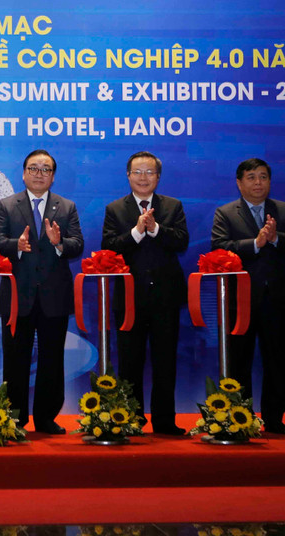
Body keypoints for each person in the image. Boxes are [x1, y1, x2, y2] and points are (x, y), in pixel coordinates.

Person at [0, 149, 84, 434]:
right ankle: (15, 418)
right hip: (18, 297)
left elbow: (77, 243)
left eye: (45, 169)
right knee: (15, 359)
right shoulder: (8, 205)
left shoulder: (66, 207)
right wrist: (14, 246)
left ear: (53, 176)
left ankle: (46, 418)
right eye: (34, 168)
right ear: (23, 173)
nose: (39, 173)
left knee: (52, 360)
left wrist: (59, 244)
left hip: (54, 297)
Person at [211, 158, 285, 434]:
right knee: (239, 362)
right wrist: (256, 243)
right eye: (251, 177)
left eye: (263, 177)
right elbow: (219, 247)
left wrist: (276, 239)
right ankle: (242, 419)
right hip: (239, 301)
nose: (258, 183)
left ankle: (275, 419)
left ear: (270, 181)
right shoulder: (226, 213)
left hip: (275, 299)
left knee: (275, 360)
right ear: (239, 183)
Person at [101, 151, 188, 435]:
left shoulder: (173, 206)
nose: (143, 177)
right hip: (129, 299)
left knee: (165, 362)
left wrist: (156, 228)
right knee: (130, 362)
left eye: (149, 172)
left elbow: (181, 242)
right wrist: (138, 231)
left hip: (166, 297)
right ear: (128, 176)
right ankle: (130, 420)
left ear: (158, 177)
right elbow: (110, 247)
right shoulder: (115, 209)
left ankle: (164, 421)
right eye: (137, 172)